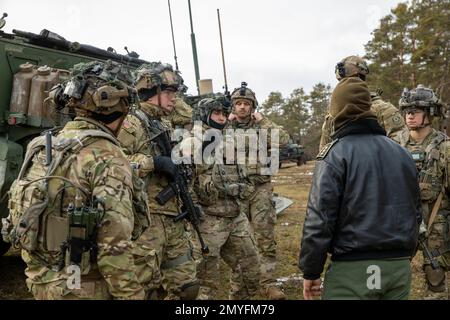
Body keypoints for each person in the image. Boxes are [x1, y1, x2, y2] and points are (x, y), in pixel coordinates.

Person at [1, 60, 146, 299]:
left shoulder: (41, 144)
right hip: (80, 287)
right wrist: (131, 295)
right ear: (118, 105)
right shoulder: (108, 156)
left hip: (41, 280)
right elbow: (114, 245)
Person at [299, 76, 421, 300]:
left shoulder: (334, 154)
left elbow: (319, 219)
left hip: (352, 270)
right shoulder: (403, 153)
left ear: (336, 110)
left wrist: (311, 270)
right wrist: (404, 256)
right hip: (398, 269)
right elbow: (415, 211)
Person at [117, 62, 198, 300]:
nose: (174, 98)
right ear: (152, 92)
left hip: (172, 217)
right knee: (145, 289)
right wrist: (155, 163)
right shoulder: (131, 123)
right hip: (145, 221)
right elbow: (112, 164)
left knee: (186, 288)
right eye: (169, 92)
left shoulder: (162, 123)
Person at [182, 96, 261, 300]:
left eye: (225, 114)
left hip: (235, 216)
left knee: (249, 270)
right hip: (207, 220)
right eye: (216, 113)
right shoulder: (191, 142)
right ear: (205, 115)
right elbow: (185, 183)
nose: (221, 118)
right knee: (204, 283)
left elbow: (245, 174)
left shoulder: (229, 140)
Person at [227, 82, 289, 300]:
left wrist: (263, 121)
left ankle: (268, 284)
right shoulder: (226, 128)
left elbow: (283, 140)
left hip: (261, 188)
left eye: (246, 104)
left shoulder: (262, 126)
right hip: (237, 190)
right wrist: (226, 123)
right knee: (240, 242)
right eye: (238, 104)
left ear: (253, 107)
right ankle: (240, 288)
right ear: (233, 106)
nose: (242, 107)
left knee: (265, 237)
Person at [398, 85, 450, 300]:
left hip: (435, 219)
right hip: (400, 217)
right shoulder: (393, 144)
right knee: (393, 268)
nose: (409, 115)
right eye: (407, 111)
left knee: (435, 272)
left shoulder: (445, 147)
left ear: (429, 113)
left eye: (416, 111)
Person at [319, 55, 406, 149]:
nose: (343, 84)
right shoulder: (333, 112)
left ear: (359, 77)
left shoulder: (384, 110)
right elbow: (324, 150)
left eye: (347, 79)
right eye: (341, 81)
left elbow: (401, 148)